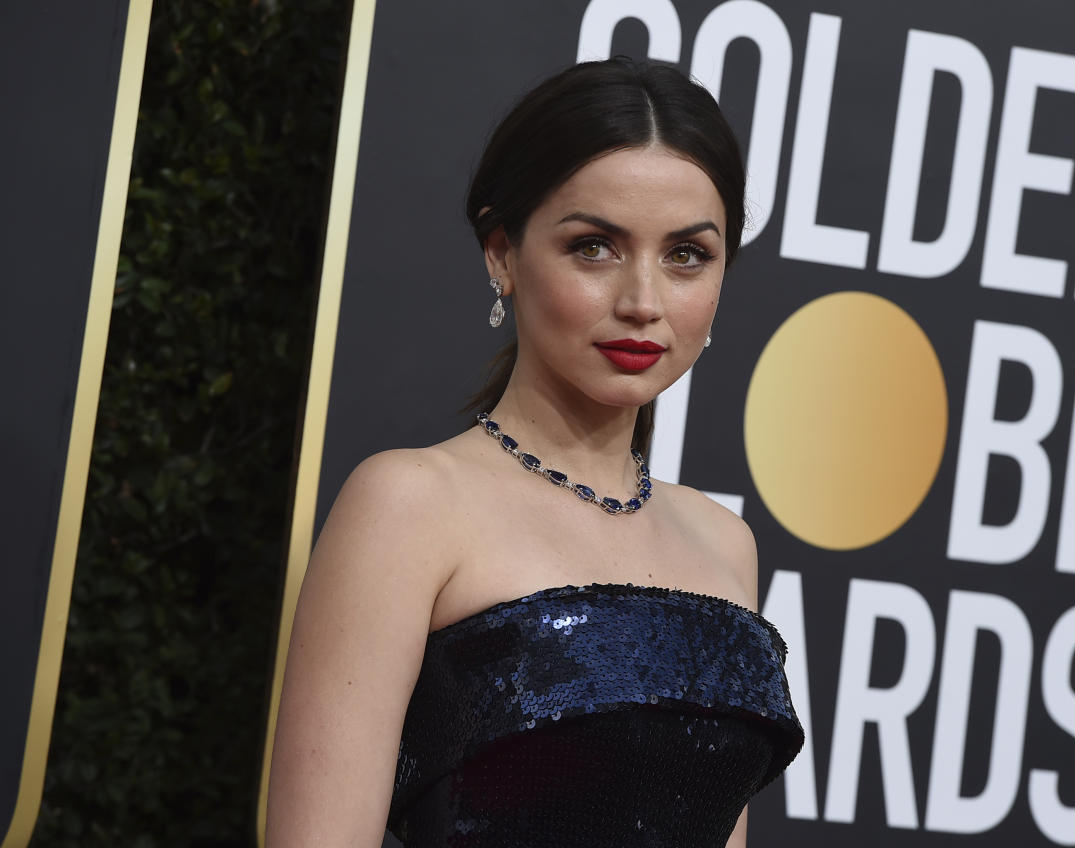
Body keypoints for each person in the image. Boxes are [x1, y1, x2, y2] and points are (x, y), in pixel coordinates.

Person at [266, 57, 803, 847]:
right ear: (502, 254)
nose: (643, 302)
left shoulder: (725, 544)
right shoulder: (408, 506)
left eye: (687, 255)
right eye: (594, 247)